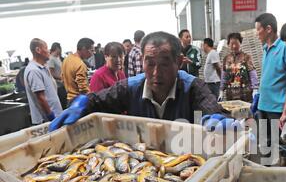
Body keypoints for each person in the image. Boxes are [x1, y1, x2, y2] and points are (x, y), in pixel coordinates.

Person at [50, 32, 241, 132]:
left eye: (165, 64)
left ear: (179, 62)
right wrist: (82, 104)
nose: (156, 73)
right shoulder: (130, 87)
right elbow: (96, 100)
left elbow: (210, 106)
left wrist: (216, 118)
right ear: (142, 61)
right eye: (150, 64)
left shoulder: (192, 87)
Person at [254, 13, 286, 158]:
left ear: (268, 29)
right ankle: (267, 174)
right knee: (265, 144)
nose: (257, 33)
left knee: (280, 146)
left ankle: (280, 175)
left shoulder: (285, 48)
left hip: (277, 108)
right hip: (263, 106)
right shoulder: (265, 49)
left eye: (258, 29)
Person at [24, 38, 63, 124]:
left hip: (56, 116)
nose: (49, 51)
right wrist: (51, 118)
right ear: (38, 50)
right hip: (46, 121)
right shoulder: (34, 70)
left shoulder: (43, 67)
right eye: (46, 48)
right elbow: (41, 98)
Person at [220, 32, 259, 103]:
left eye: (236, 43)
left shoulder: (246, 57)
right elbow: (224, 76)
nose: (234, 46)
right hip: (230, 95)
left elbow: (252, 73)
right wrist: (221, 90)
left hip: (245, 95)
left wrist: (255, 89)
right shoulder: (226, 59)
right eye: (232, 44)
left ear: (240, 43)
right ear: (228, 45)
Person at [61, 37, 94, 103]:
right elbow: (83, 89)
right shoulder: (80, 64)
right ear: (84, 49)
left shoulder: (66, 59)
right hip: (78, 101)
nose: (92, 54)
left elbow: (62, 78)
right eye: (91, 50)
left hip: (68, 98)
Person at [48, 42, 67, 108]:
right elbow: (51, 73)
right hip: (58, 85)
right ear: (57, 48)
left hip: (62, 83)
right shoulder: (51, 59)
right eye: (60, 48)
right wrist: (61, 78)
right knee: (63, 102)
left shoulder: (57, 58)